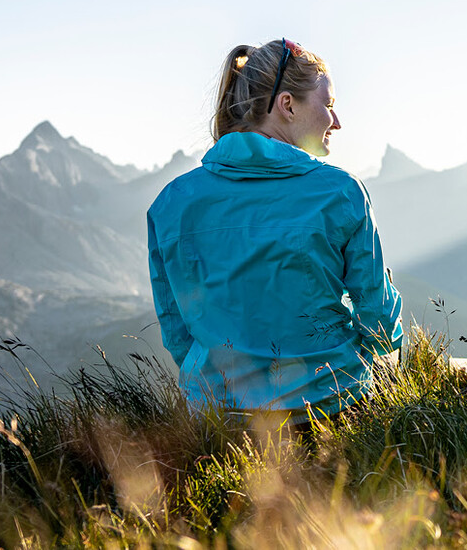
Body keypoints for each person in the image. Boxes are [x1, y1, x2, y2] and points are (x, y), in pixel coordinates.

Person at [147, 39, 403, 419]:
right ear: (287, 105)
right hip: (331, 406)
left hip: (220, 418)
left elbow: (177, 333)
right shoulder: (341, 192)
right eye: (328, 105)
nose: (336, 121)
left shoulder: (171, 203)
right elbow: (381, 323)